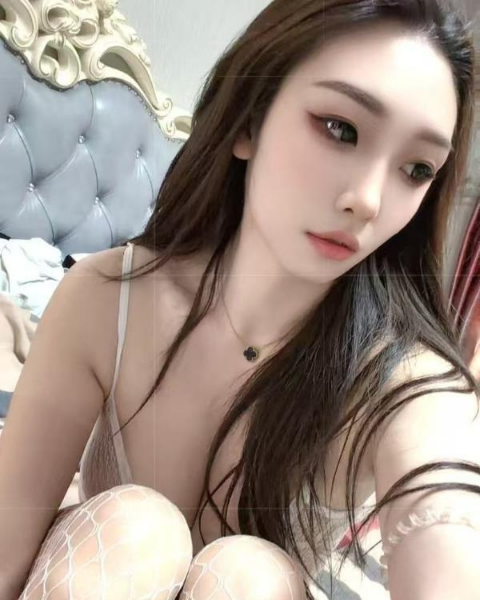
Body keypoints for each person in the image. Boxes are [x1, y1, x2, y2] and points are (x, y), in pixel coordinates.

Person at [1, 0, 480, 598]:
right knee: (136, 526)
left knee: (248, 573)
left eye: (416, 169)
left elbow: (447, 524)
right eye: (341, 129)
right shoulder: (106, 299)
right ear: (250, 120)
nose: (368, 199)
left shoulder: (408, 385)